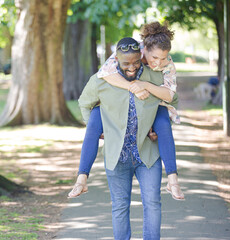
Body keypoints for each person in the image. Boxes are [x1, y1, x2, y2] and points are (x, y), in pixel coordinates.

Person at [69, 22, 184, 201]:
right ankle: (81, 178)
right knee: (94, 121)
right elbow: (104, 74)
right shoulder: (127, 50)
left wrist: (144, 85)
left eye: (163, 58)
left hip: (155, 105)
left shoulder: (167, 65)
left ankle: (173, 180)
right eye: (154, 57)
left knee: (162, 123)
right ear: (144, 49)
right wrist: (133, 87)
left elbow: (170, 95)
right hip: (117, 107)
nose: (158, 63)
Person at [77, 37, 164, 239]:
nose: (132, 67)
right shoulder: (101, 80)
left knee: (152, 203)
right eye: (126, 63)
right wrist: (98, 129)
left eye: (135, 62)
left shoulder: (153, 76)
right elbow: (84, 103)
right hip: (117, 157)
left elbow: (170, 99)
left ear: (141, 56)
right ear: (116, 59)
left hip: (148, 154)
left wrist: (158, 124)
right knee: (120, 206)